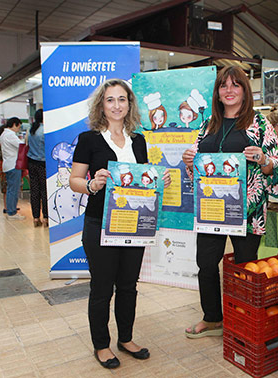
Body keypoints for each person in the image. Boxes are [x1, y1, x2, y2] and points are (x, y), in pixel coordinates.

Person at [70, 79, 171, 369]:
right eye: (110, 100)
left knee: (128, 285)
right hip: (99, 223)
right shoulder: (88, 139)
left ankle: (125, 339)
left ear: (130, 104)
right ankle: (101, 345)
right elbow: (74, 180)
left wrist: (158, 181)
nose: (116, 105)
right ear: (101, 105)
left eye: (122, 99)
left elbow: (143, 180)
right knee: (102, 288)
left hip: (134, 224)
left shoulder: (138, 140)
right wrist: (92, 184)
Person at [182, 66, 278, 338]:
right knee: (206, 264)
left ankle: (244, 319)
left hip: (248, 211)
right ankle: (213, 317)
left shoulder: (259, 124)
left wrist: (263, 159)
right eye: (223, 86)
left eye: (235, 85)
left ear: (244, 90)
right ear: (217, 92)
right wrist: (189, 162)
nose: (229, 90)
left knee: (245, 266)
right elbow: (196, 165)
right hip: (211, 209)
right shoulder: (208, 125)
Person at [0, 117, 25, 220]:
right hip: (13, 165)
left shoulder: (3, 134)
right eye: (18, 127)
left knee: (11, 189)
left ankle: (11, 210)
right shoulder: (10, 135)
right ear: (14, 124)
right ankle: (12, 212)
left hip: (8, 164)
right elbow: (21, 145)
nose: (18, 129)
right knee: (13, 190)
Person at [27, 109, 48, 227]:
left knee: (34, 191)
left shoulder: (31, 130)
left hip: (31, 163)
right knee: (44, 190)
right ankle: (46, 217)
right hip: (42, 164)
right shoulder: (44, 131)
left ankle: (35, 218)